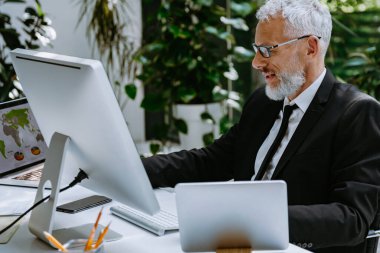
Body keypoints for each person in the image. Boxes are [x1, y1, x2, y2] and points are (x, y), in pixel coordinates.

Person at [142, 0, 380, 252]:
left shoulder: (358, 113)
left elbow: (352, 218)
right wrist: (135, 170)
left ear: (310, 47)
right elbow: (210, 161)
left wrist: (253, 220)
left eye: (268, 50)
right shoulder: (264, 101)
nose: (256, 62)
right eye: (257, 49)